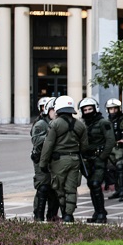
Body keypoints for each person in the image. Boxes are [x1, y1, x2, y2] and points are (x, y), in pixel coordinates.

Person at [39, 95, 88, 223]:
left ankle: (65, 211)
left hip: (59, 161)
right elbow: (84, 147)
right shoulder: (80, 125)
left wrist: (43, 163)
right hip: (75, 160)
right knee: (71, 188)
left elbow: (48, 145)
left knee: (59, 188)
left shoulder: (54, 124)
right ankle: (69, 215)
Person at [79, 97, 115, 223]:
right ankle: (98, 211)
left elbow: (110, 141)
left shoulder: (103, 122)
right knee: (91, 185)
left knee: (95, 184)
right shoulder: (83, 124)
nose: (88, 111)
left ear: (95, 109)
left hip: (99, 159)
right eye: (85, 110)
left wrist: (102, 156)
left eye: (90, 109)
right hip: (87, 160)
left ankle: (101, 214)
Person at [30, 97, 60, 221]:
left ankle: (52, 215)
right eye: (53, 110)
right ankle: (38, 216)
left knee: (55, 188)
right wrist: (50, 134)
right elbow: (36, 140)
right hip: (41, 159)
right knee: (43, 187)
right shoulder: (41, 124)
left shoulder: (58, 122)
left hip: (55, 159)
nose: (56, 113)